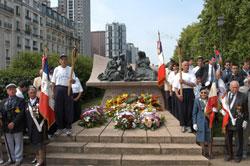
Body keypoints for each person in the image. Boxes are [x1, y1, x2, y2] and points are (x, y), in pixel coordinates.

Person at [0, 83, 25, 166]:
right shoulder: (3, 102)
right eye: (9, 89)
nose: (11, 90)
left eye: (13, 89)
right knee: (9, 143)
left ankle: (18, 159)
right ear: (7, 91)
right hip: (6, 126)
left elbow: (21, 113)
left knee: (18, 143)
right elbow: (2, 114)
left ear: (15, 90)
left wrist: (14, 122)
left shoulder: (21, 100)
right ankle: (11, 159)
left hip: (17, 125)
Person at [223, 81, 248, 163]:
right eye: (233, 87)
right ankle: (229, 155)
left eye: (236, 87)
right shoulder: (226, 95)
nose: (235, 89)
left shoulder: (243, 96)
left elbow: (246, 110)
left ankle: (238, 156)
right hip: (228, 121)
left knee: (239, 139)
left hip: (238, 121)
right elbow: (224, 107)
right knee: (228, 139)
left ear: (238, 87)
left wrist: (245, 120)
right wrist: (223, 112)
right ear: (230, 87)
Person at [51, 54, 75, 136]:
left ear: (67, 60)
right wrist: (53, 93)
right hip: (58, 90)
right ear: (60, 61)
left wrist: (72, 81)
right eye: (62, 59)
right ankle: (59, 128)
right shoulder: (56, 69)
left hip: (68, 90)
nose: (64, 61)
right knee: (58, 109)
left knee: (68, 109)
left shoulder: (71, 69)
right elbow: (53, 82)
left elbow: (74, 81)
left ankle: (68, 128)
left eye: (65, 59)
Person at [173, 60, 196, 133]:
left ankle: (189, 125)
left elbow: (194, 84)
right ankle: (182, 125)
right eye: (185, 65)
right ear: (182, 66)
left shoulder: (191, 74)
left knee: (189, 109)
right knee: (182, 110)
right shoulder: (178, 75)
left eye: (188, 65)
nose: (187, 66)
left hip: (189, 92)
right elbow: (175, 87)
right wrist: (178, 95)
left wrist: (184, 82)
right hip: (181, 92)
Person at [25, 86, 45, 166]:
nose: (32, 94)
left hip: (38, 126)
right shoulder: (26, 103)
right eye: (30, 92)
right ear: (28, 93)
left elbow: (43, 115)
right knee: (33, 144)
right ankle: (37, 159)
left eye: (33, 92)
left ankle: (41, 160)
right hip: (30, 128)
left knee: (39, 144)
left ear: (36, 93)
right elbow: (25, 116)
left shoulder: (40, 101)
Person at [192, 86, 213, 158]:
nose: (203, 94)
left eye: (205, 93)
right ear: (200, 93)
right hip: (200, 122)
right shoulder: (197, 100)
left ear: (207, 94)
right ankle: (203, 153)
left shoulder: (210, 101)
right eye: (202, 93)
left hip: (208, 121)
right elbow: (194, 112)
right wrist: (194, 123)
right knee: (201, 138)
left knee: (209, 138)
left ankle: (210, 153)